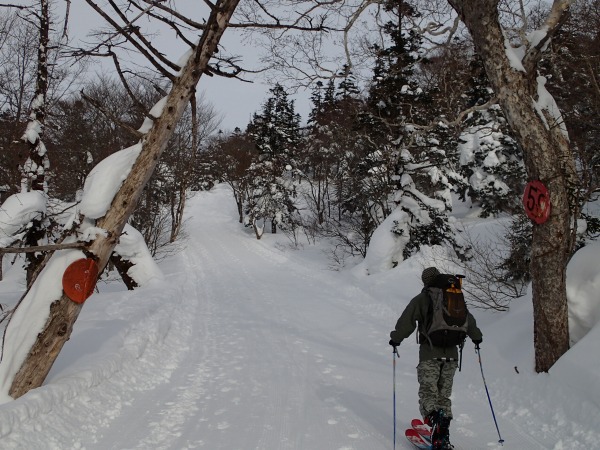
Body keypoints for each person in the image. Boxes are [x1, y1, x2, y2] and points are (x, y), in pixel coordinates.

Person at [389, 267, 482, 450]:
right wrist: (477, 338)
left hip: (430, 355)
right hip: (452, 357)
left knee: (429, 393)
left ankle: (435, 432)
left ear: (425, 281)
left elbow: (407, 321)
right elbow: (468, 321)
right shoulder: (454, 296)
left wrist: (395, 338)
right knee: (443, 396)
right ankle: (443, 436)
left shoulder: (423, 298)